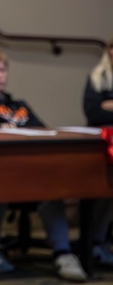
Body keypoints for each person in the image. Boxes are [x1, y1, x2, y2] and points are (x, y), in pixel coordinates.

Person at [0, 49, 87, 282]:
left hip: (30, 173)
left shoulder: (18, 105)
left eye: (2, 70)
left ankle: (63, 252)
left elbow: (42, 130)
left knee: (54, 192)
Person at [82, 37, 113, 267]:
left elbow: (105, 109)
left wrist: (110, 105)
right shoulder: (97, 77)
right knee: (102, 194)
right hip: (103, 145)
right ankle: (95, 242)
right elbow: (94, 113)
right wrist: (104, 108)